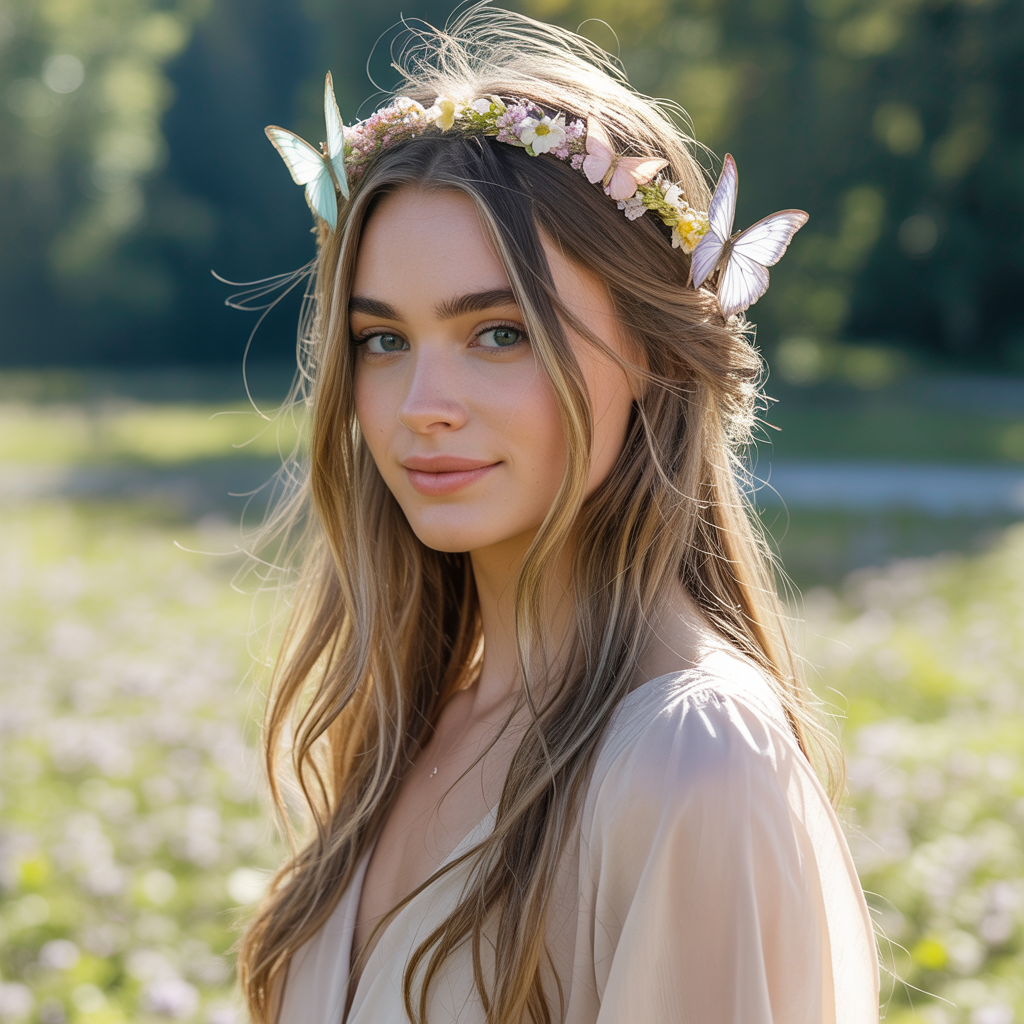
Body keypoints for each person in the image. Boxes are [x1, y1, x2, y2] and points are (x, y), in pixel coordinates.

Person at [238, 7, 880, 1022]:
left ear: (656, 354)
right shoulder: (413, 729)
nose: (420, 407)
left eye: (498, 332)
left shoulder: (693, 762)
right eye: (382, 340)